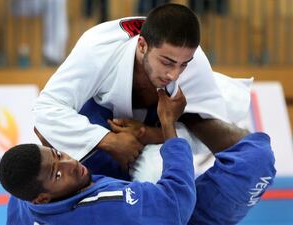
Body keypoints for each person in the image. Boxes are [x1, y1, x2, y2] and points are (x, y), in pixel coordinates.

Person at [32, 3, 251, 180]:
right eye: (167, 62)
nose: (174, 74)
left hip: (159, 131)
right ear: (142, 46)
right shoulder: (98, 47)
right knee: (47, 135)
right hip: (96, 118)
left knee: (161, 175)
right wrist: (108, 140)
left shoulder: (194, 65)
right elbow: (45, 109)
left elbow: (211, 141)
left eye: (183, 64)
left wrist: (148, 134)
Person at [0, 88, 276, 225]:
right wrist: (169, 124)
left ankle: (150, 119)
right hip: (179, 215)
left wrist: (63, 136)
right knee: (258, 161)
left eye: (59, 155)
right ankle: (190, 116)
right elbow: (175, 200)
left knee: (87, 107)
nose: (71, 164)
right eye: (57, 173)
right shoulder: (103, 208)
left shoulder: (23, 197)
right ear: (42, 199)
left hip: (114, 192)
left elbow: (51, 169)